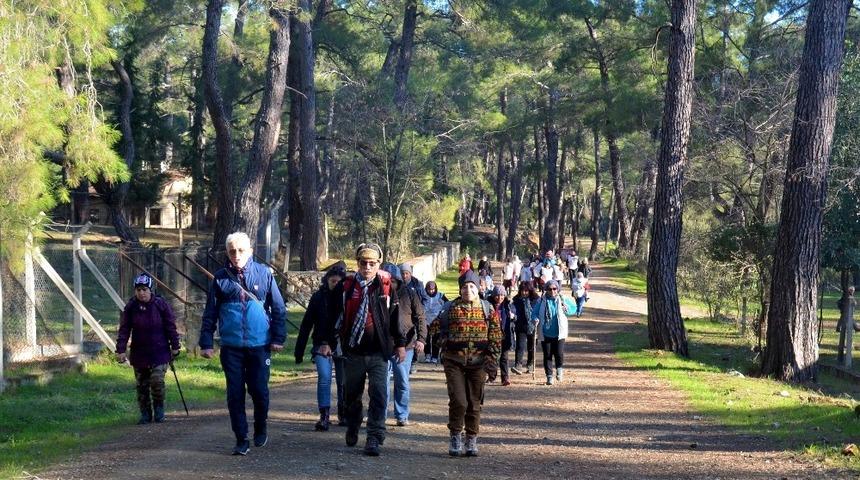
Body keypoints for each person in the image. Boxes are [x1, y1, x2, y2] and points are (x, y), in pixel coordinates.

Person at [199, 232, 287, 455]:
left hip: (259, 346)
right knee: (235, 394)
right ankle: (241, 438)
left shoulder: (264, 274)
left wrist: (278, 338)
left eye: (240, 250)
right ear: (227, 253)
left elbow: (278, 308)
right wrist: (206, 342)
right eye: (232, 251)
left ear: (249, 251)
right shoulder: (221, 278)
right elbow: (210, 312)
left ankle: (261, 427)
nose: (236, 255)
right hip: (231, 347)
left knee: (259, 390)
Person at [332, 243, 406, 456]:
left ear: (378, 264)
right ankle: (354, 424)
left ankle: (374, 437)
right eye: (363, 263)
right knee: (351, 396)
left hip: (378, 353)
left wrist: (400, 345)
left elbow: (395, 318)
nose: (367, 267)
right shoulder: (346, 287)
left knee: (379, 395)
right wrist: (327, 342)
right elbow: (332, 317)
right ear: (357, 264)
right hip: (353, 352)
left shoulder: (386, 287)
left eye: (372, 263)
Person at [431, 270, 501, 457]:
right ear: (459, 289)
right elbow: (435, 329)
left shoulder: (488, 309)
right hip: (454, 362)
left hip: (478, 364)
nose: (468, 290)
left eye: (471, 286)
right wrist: (441, 340)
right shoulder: (450, 308)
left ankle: (471, 438)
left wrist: (491, 361)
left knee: (474, 403)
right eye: (464, 287)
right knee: (459, 401)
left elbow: (495, 337)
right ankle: (455, 434)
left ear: (478, 288)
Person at [116, 273, 181, 425]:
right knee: (142, 385)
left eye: (144, 289)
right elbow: (124, 330)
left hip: (160, 351)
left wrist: (175, 346)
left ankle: (159, 409)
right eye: (138, 290)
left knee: (157, 381)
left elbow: (170, 326)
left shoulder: (160, 304)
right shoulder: (131, 307)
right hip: (140, 352)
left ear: (150, 290)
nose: (141, 293)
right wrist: (120, 350)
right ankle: (145, 414)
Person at [295, 265, 347, 431]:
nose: (336, 285)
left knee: (343, 381)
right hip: (321, 343)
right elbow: (307, 324)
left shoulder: (348, 299)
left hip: (342, 344)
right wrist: (299, 351)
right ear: (327, 281)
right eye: (333, 281)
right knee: (324, 378)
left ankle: (343, 413)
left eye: (339, 282)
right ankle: (324, 415)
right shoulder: (318, 297)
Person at [381, 263, 427, 427]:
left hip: (405, 346)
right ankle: (381, 414)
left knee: (402, 382)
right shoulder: (377, 295)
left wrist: (421, 339)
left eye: (392, 280)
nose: (389, 284)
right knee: (381, 383)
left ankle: (401, 414)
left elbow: (421, 317)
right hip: (382, 346)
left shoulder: (409, 294)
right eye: (386, 280)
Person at [532, 280, 575, 386]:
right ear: (546, 290)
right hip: (545, 332)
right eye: (549, 289)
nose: (552, 291)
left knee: (559, 353)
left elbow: (573, 309)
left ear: (557, 289)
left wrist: (567, 309)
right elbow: (534, 313)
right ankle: (549, 376)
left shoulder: (562, 299)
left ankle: (559, 369)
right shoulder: (541, 301)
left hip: (559, 332)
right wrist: (535, 319)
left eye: (554, 289)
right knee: (547, 355)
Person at [488, 285, 515, 386]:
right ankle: (492, 376)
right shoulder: (488, 305)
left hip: (505, 334)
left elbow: (515, 315)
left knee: (504, 357)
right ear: (493, 295)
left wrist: (513, 316)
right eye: (497, 295)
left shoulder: (508, 305)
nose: (499, 298)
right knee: (492, 356)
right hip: (492, 334)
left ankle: (505, 377)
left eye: (502, 295)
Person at [511, 282, 539, 374]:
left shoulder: (536, 300)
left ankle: (530, 364)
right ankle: (518, 365)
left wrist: (537, 318)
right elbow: (513, 309)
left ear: (530, 291)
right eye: (522, 291)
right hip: (520, 325)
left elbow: (538, 310)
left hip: (533, 325)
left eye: (526, 291)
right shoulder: (516, 300)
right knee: (520, 346)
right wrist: (513, 314)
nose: (524, 293)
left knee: (531, 346)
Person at [421, 281, 449, 363]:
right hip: (425, 320)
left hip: (437, 320)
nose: (431, 291)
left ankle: (435, 356)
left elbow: (447, 304)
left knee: (436, 339)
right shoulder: (423, 296)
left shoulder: (440, 296)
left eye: (433, 290)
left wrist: (442, 314)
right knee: (426, 338)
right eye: (429, 290)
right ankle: (427, 355)